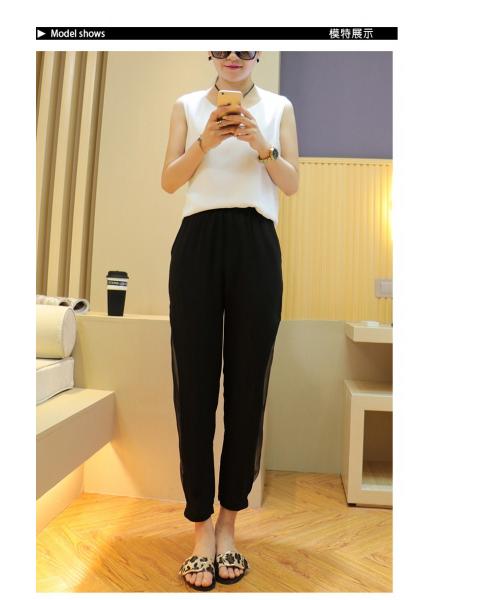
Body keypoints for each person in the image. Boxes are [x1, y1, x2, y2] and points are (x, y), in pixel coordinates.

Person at [161, 50, 300, 591]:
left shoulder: (279, 107)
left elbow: (291, 183)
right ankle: (200, 527)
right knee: (194, 390)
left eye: (244, 48)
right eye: (223, 47)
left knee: (247, 390)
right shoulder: (187, 105)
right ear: (210, 53)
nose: (234, 57)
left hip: (256, 243)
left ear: (257, 53)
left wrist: (260, 144)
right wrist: (205, 142)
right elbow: (169, 181)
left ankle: (228, 525)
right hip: (197, 243)